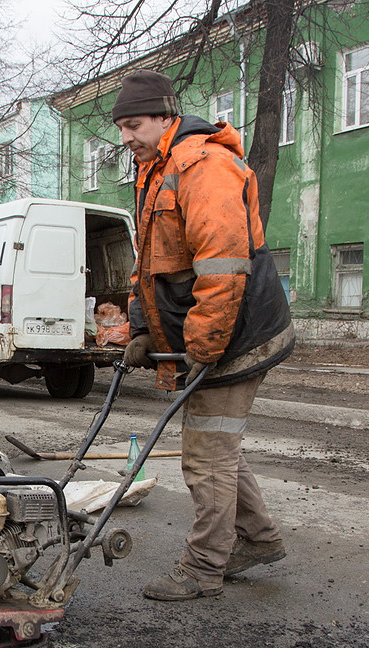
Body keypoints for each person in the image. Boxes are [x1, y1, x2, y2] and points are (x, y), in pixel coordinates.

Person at [112, 70, 295, 601]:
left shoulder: (203, 165)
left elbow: (223, 268)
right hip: (218, 333)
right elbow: (148, 263)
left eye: (135, 124)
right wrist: (143, 328)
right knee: (221, 449)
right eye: (121, 127)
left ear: (166, 116)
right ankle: (258, 539)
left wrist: (202, 347)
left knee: (207, 455)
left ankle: (202, 568)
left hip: (238, 334)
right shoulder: (156, 168)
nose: (126, 137)